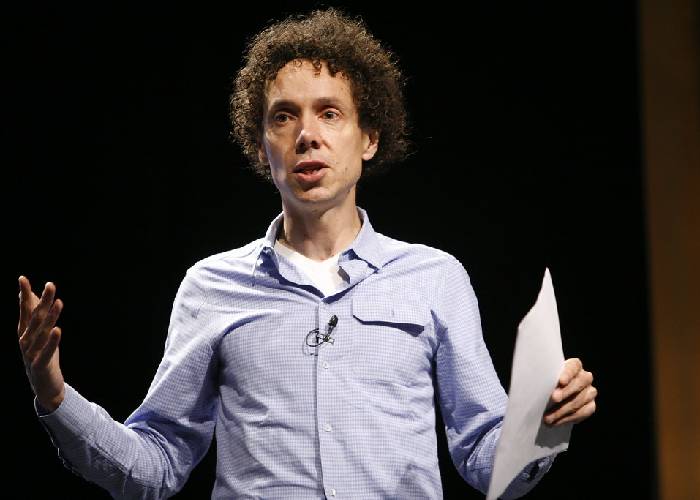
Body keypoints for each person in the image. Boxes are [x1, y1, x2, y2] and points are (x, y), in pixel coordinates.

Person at [17, 8, 597, 499]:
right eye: (284, 116)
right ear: (261, 145)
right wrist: (53, 393)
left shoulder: (434, 278)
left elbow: (487, 462)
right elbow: (156, 464)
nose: (306, 135)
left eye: (330, 112)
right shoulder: (210, 287)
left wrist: (541, 425)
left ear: (369, 138)